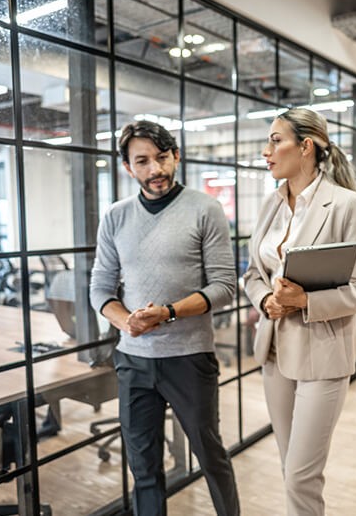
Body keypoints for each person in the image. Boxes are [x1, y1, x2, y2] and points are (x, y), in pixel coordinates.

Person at [90, 120, 239, 516]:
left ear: (176, 156)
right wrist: (127, 321)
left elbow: (224, 286)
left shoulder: (205, 209)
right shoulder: (115, 217)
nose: (155, 169)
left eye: (161, 158)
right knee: (144, 469)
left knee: (211, 456)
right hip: (134, 361)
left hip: (189, 357)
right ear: (128, 167)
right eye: (143, 161)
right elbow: (100, 289)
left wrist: (168, 313)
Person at [243, 108, 356, 515]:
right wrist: (265, 299)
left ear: (305, 146)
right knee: (290, 469)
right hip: (272, 354)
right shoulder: (270, 205)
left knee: (302, 474)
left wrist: (305, 302)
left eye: (275, 140)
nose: (266, 151)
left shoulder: (346, 205)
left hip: (322, 356)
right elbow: (252, 274)